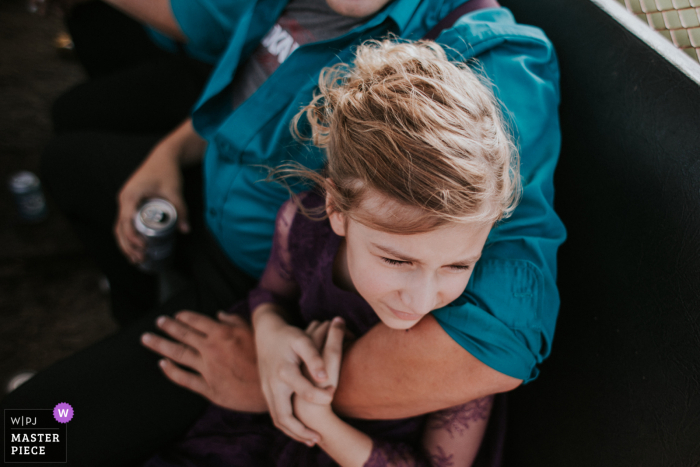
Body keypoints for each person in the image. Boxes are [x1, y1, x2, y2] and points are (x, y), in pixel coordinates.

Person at [2, 0, 565, 465]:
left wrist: (280, 382)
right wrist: (171, 150)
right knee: (70, 159)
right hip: (255, 268)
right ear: (334, 205)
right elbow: (244, 88)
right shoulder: (300, 217)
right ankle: (133, 318)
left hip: (249, 306)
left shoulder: (484, 59)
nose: (425, 288)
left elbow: (500, 335)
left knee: (31, 432)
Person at [144, 38, 514, 467]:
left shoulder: (468, 342)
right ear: (337, 208)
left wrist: (320, 419)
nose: (420, 298)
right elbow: (269, 294)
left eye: (458, 265)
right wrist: (270, 332)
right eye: (396, 260)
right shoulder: (301, 227)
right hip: (253, 432)